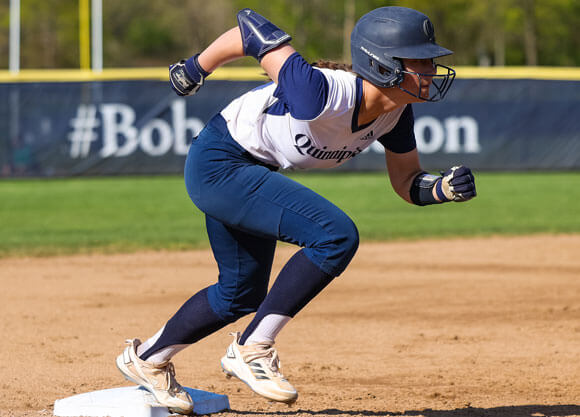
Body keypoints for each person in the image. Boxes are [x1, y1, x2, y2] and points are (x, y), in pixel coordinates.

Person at [116, 6, 476, 414]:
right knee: (335, 235)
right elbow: (251, 28)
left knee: (239, 295)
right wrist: (196, 68)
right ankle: (253, 348)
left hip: (251, 170)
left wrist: (441, 188)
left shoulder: (395, 114)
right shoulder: (320, 93)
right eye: (421, 59)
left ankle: (146, 359)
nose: (431, 69)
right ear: (383, 64)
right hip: (220, 163)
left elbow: (407, 181)